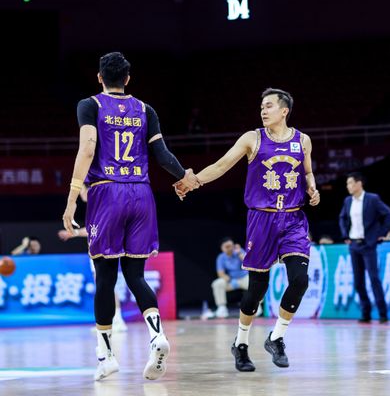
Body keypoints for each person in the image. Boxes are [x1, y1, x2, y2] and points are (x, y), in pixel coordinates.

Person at [61, 52, 199, 381]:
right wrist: (184, 177)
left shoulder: (90, 105)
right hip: (141, 194)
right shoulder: (145, 109)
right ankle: (157, 336)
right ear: (128, 79)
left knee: (105, 277)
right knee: (136, 275)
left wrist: (71, 199)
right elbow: (162, 155)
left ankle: (106, 356)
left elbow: (88, 149)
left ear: (99, 77)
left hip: (107, 193)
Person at [176, 88, 320, 372]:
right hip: (261, 220)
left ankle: (276, 338)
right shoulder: (252, 138)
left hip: (293, 219)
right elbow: (221, 165)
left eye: (269, 106)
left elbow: (307, 173)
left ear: (284, 111)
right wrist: (194, 181)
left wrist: (312, 188)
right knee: (257, 289)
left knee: (300, 280)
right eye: (261, 106)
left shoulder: (303, 140)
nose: (263, 110)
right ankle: (241, 343)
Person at [58, 185, 128, 332]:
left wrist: (74, 233)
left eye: (81, 191)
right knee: (103, 286)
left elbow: (96, 228)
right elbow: (93, 229)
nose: (80, 195)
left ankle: (117, 320)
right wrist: (74, 233)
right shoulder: (95, 205)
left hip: (104, 247)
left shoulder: (99, 203)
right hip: (98, 247)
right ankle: (108, 322)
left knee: (106, 284)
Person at [339, 172, 390, 324]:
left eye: (350, 183)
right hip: (354, 245)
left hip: (368, 244)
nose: (348, 186)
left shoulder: (372, 199)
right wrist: (345, 235)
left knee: (374, 278)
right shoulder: (348, 201)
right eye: (347, 184)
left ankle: (382, 313)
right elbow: (342, 218)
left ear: (359, 183)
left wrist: (381, 233)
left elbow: (388, 214)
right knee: (358, 281)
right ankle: (366, 312)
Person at [208, 237, 253, 319]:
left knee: (255, 283)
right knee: (217, 283)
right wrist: (227, 278)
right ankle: (222, 308)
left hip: (244, 277)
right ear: (222, 248)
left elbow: (248, 263)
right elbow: (220, 273)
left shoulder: (239, 251)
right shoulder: (221, 257)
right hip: (232, 280)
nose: (230, 248)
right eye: (227, 247)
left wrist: (239, 253)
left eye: (231, 246)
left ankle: (255, 307)